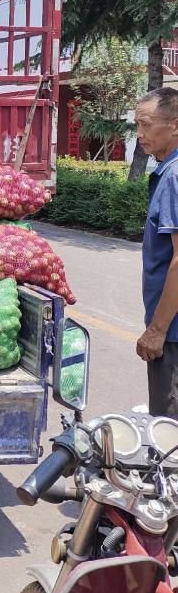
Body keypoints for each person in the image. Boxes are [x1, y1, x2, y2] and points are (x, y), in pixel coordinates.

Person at [135, 87, 178, 418]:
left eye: (147, 125)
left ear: (175, 125)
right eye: (137, 125)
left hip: (174, 333)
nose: (140, 134)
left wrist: (157, 330)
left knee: (168, 431)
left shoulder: (174, 177)